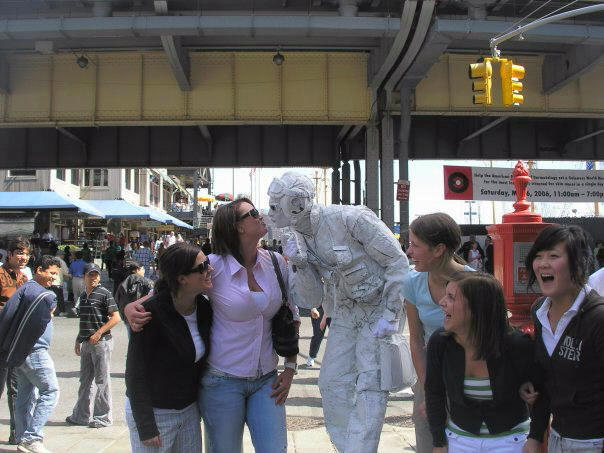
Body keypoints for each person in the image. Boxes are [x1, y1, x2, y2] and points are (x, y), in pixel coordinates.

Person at [126, 198, 300, 453]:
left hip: (267, 380)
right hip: (222, 381)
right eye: (252, 213)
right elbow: (166, 291)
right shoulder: (212, 266)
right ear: (237, 227)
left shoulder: (275, 263)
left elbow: (291, 313)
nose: (260, 215)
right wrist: (130, 308)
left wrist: (291, 367)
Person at [268, 172, 409, 453]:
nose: (270, 213)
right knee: (331, 382)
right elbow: (311, 298)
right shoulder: (296, 237)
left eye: (275, 205)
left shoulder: (351, 219)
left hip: (378, 309)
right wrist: (300, 265)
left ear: (295, 204)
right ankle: (350, 447)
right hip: (345, 310)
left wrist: (391, 315)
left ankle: (359, 449)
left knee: (370, 384)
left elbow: (398, 263)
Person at [425, 272, 534, 452]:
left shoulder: (517, 345)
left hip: (511, 440)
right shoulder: (440, 342)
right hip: (459, 439)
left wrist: (535, 438)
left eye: (451, 297)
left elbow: (542, 392)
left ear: (476, 308)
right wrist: (439, 443)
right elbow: (434, 393)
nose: (442, 302)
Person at [521, 225, 604, 453]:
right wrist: (535, 436)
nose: (543, 264)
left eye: (553, 256)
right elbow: (544, 379)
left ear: (578, 263)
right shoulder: (539, 311)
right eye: (538, 256)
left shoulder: (598, 318)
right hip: (557, 439)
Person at [125, 243, 213, 452]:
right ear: (182, 278)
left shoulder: (204, 307)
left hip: (188, 411)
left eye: (208, 262)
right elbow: (135, 373)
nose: (210, 269)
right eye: (202, 267)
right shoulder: (150, 314)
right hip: (155, 415)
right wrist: (146, 426)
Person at [403, 213, 473, 453]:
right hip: (429, 375)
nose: (409, 251)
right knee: (429, 442)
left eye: (415, 245)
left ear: (439, 249)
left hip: (468, 380)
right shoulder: (412, 282)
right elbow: (416, 340)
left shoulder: (473, 282)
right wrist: (428, 390)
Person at [0, 256, 60, 453]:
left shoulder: (25, 289)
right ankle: (32, 438)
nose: (54, 277)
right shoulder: (41, 293)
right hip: (34, 351)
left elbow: (7, 315)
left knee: (24, 396)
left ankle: (21, 437)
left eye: (56, 274)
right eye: (51, 273)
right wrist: (49, 307)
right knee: (50, 391)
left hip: (20, 352)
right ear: (39, 270)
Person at [66, 263, 120, 429]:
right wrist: (78, 339)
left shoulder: (104, 294)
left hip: (102, 342)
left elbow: (116, 318)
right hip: (86, 343)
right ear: (84, 277)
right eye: (90, 275)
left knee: (102, 381)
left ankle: (103, 417)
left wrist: (99, 333)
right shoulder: (83, 295)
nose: (94, 278)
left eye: (96, 275)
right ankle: (80, 416)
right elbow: (85, 320)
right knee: (85, 380)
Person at [0, 236, 31, 445]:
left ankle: (16, 432)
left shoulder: (24, 279)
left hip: (15, 343)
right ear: (9, 254)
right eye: (20, 253)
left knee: (16, 389)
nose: (23, 257)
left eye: (26, 254)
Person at [115, 260, 154, 332]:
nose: (144, 271)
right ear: (137, 270)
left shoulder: (123, 283)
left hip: (127, 317)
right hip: (144, 317)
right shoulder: (147, 282)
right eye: (143, 269)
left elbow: (117, 300)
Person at [49, 250, 70, 316]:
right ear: (61, 255)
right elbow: (66, 272)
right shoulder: (61, 261)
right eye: (63, 255)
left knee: (50, 298)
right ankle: (62, 311)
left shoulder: (50, 260)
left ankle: (49, 311)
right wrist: (70, 275)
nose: (64, 256)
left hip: (50, 282)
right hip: (57, 282)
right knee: (60, 298)